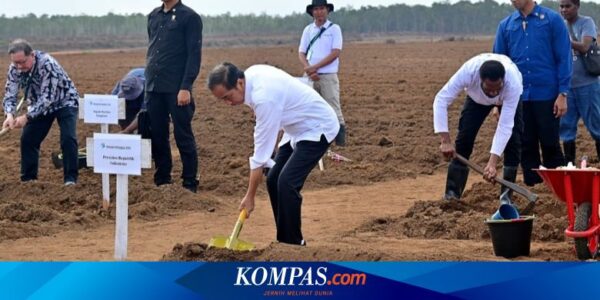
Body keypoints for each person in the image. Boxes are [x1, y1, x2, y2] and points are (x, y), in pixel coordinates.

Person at [207, 62, 339, 246]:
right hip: (294, 127)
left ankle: (294, 244)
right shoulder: (251, 75)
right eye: (222, 100)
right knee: (273, 179)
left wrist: (250, 197)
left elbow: (259, 157)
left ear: (239, 83)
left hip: (317, 126)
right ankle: (284, 241)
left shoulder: (264, 98)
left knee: (287, 182)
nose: (227, 103)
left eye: (228, 97)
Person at [493, 0, 571, 186]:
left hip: (547, 94)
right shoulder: (506, 26)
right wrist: (498, 102)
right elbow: (499, 64)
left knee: (550, 142)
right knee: (526, 145)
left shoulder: (552, 20)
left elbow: (564, 57)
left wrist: (563, 94)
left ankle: (558, 189)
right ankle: (533, 187)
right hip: (518, 97)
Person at [434, 53, 523, 203]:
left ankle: (506, 198)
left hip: (507, 100)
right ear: (480, 80)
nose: (494, 93)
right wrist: (445, 140)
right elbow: (441, 100)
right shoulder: (469, 72)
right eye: (489, 88)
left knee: (513, 141)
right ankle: (452, 195)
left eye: (498, 88)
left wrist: (492, 163)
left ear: (503, 81)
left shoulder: (512, 83)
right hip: (476, 100)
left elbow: (505, 126)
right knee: (464, 139)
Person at [2, 39, 79, 185]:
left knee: (68, 138)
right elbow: (10, 93)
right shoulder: (15, 68)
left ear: (32, 55)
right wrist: (9, 114)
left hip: (64, 101)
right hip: (38, 104)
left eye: (22, 62)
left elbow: (48, 97)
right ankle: (28, 180)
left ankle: (70, 179)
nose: (19, 67)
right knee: (28, 139)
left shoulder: (47, 64)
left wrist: (27, 117)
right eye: (15, 63)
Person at [146, 0, 202, 193]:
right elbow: (153, 50)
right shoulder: (153, 16)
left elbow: (194, 55)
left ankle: (189, 182)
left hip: (177, 88)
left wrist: (186, 86)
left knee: (182, 134)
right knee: (158, 134)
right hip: (154, 87)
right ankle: (162, 179)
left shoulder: (190, 17)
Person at [299, 0, 346, 146]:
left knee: (333, 108)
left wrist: (315, 67)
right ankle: (314, 141)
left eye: (322, 9)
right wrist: (308, 68)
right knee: (309, 108)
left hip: (328, 76)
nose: (319, 12)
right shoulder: (308, 30)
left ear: (327, 10)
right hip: (310, 77)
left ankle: (340, 143)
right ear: (312, 12)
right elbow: (301, 52)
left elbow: (335, 52)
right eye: (317, 9)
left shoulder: (334, 29)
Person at [558, 0, 600, 164]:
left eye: (568, 6)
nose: (564, 10)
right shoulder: (559, 26)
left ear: (577, 6)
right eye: (561, 6)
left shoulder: (586, 22)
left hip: (587, 84)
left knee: (596, 125)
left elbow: (584, 46)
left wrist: (562, 41)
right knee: (566, 128)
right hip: (567, 87)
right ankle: (569, 165)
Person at [110, 67, 148, 135]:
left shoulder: (147, 89)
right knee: (124, 113)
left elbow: (143, 114)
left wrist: (127, 130)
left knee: (146, 124)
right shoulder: (122, 84)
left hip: (148, 92)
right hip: (132, 93)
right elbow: (111, 105)